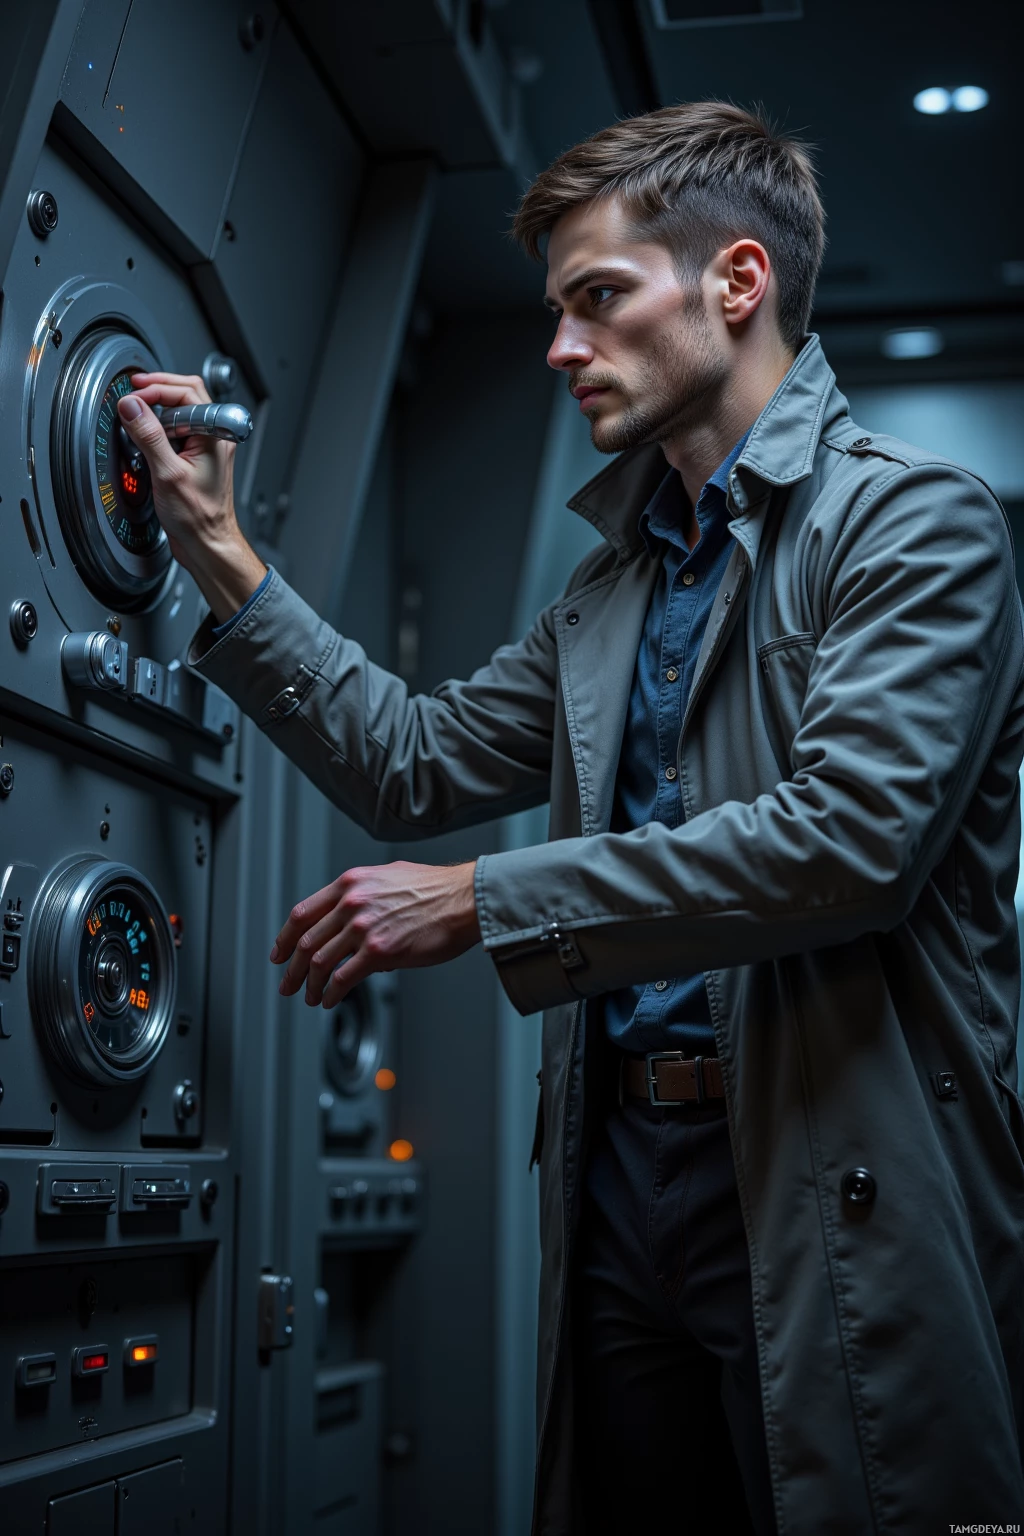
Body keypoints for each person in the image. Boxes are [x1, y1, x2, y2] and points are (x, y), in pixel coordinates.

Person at [116, 101, 1024, 1535]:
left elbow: (849, 844)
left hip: (822, 1167)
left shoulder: (915, 525)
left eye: (598, 299)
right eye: (554, 310)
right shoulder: (614, 591)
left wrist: (484, 901)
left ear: (737, 283)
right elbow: (411, 760)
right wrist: (222, 554)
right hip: (620, 1180)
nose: (558, 348)